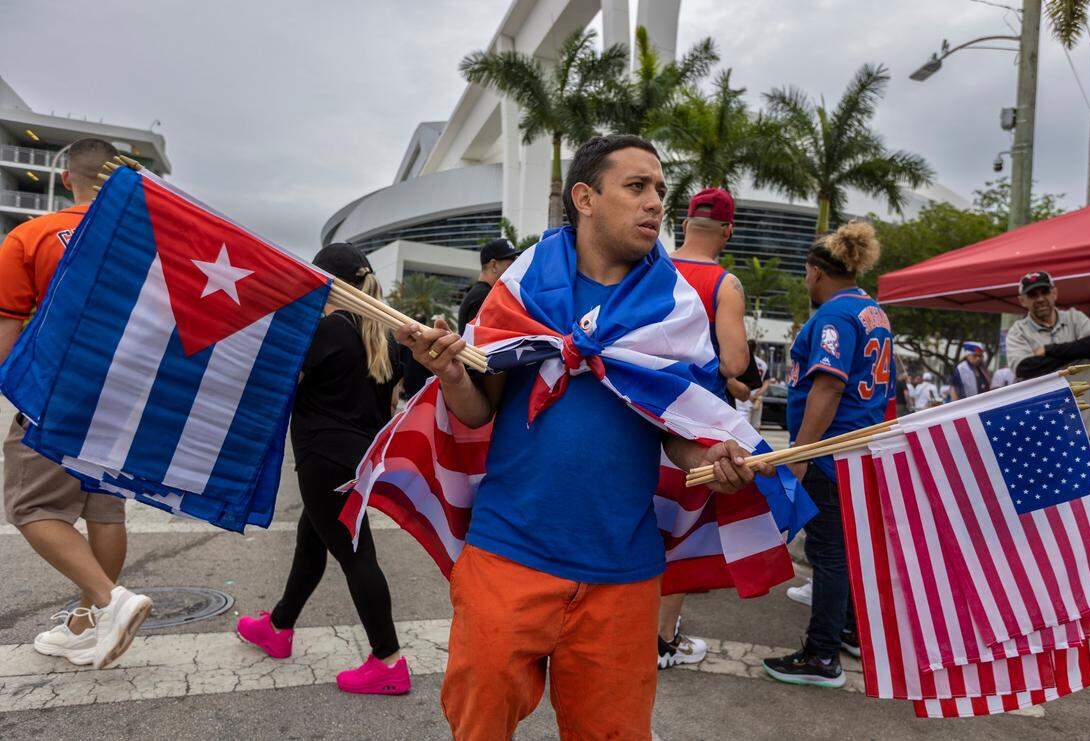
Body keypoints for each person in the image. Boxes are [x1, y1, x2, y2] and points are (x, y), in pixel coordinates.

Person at [395, 135, 754, 738]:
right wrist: (453, 372)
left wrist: (713, 454)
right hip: (508, 553)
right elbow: (480, 411)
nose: (654, 204)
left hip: (623, 570)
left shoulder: (675, 309)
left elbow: (680, 431)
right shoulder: (521, 288)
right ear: (585, 198)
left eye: (660, 191)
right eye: (636, 187)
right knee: (477, 725)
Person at [0, 138, 153, 669]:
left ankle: (111, 601)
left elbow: (5, 334)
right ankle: (88, 623)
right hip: (122, 395)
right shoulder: (146, 242)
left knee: (32, 506)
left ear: (68, 179)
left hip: (56, 392)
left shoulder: (30, 236)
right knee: (102, 507)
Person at [235, 243, 409, 695]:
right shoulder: (383, 337)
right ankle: (278, 626)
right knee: (311, 544)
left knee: (356, 556)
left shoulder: (328, 330)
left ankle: (388, 661)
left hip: (322, 457)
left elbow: (278, 386)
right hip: (356, 458)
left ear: (326, 282)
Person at [760, 220, 893, 689]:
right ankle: (850, 630)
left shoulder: (834, 317)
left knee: (830, 554)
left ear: (816, 272)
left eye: (805, 274)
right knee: (847, 551)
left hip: (833, 451)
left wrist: (801, 451)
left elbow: (829, 385)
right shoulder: (872, 310)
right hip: (860, 448)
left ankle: (821, 656)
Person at [661, 186, 751, 669]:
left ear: (684, 223)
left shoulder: (653, 266)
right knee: (678, 537)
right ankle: (660, 641)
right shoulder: (725, 283)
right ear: (727, 231)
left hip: (635, 416)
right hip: (692, 430)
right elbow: (735, 361)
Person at [1005, 271, 1090, 442]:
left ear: (1054, 293)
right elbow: (1025, 368)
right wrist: (1077, 352)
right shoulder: (1017, 331)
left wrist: (1048, 350)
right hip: (1041, 426)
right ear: (1022, 300)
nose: (1039, 299)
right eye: (1032, 294)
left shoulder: (1075, 318)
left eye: (1044, 292)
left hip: (1085, 425)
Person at [457, 237, 521, 334]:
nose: (514, 269)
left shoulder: (478, 293)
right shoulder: (485, 296)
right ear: (494, 265)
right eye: (510, 264)